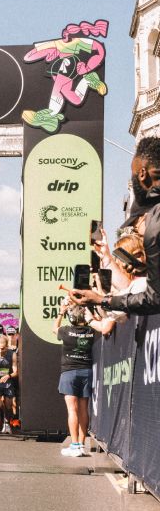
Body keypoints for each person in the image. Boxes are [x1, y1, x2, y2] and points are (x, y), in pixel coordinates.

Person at [72, 137, 160, 315]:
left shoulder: (154, 225)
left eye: (132, 172)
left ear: (142, 173)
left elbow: (154, 299)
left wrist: (101, 300)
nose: (136, 234)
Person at [53, 302, 102, 457]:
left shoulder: (66, 330)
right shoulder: (91, 330)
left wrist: (60, 312)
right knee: (83, 409)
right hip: (87, 372)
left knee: (72, 410)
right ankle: (81, 445)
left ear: (71, 317)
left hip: (69, 373)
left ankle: (74, 446)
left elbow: (54, 329)